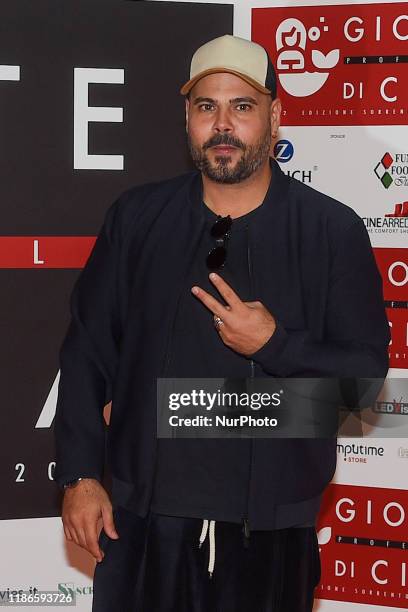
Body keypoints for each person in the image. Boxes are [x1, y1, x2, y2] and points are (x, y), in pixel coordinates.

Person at [54, 35, 390, 611]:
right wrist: (81, 475)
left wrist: (277, 345)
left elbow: (363, 377)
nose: (224, 124)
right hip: (141, 527)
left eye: (243, 106)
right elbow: (87, 348)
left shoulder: (331, 231)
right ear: (188, 117)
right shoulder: (136, 218)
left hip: (269, 534)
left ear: (275, 116)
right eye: (208, 106)